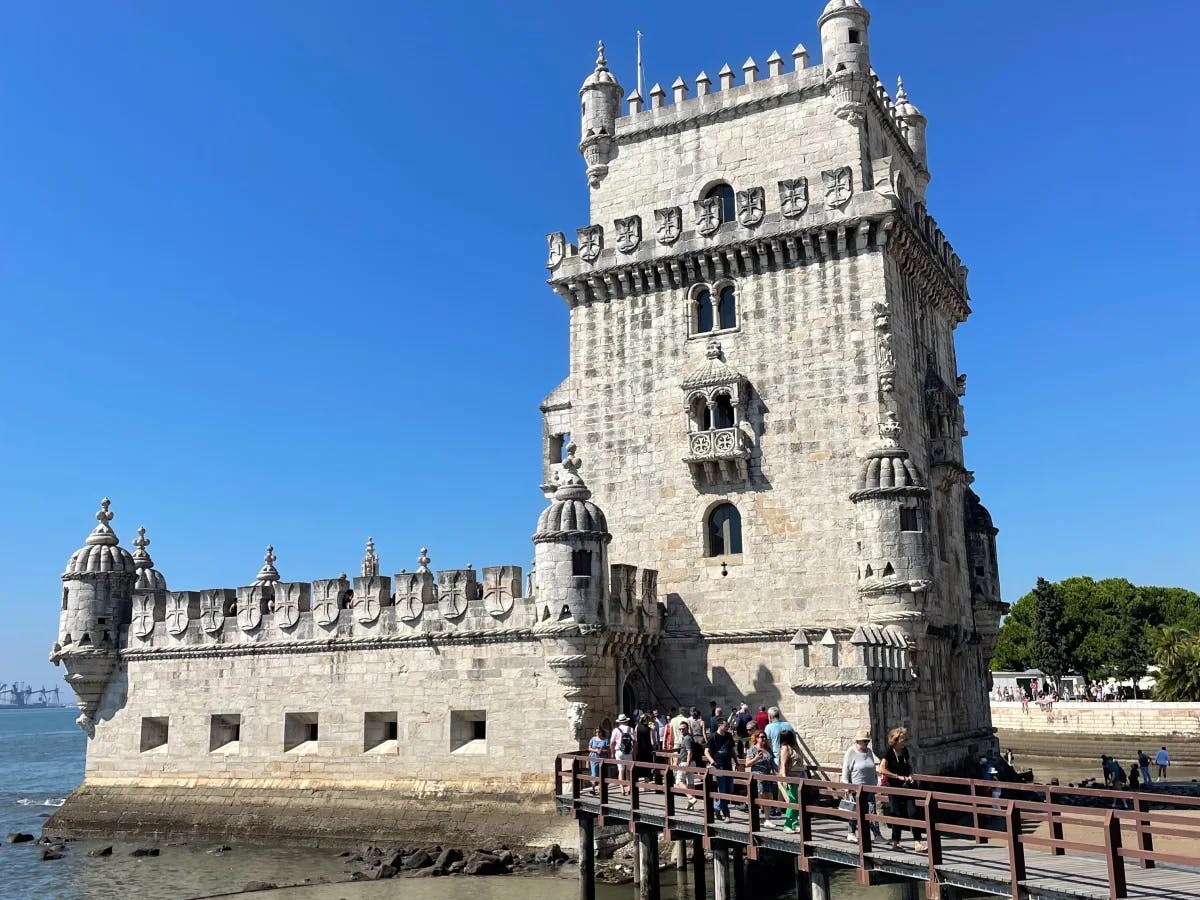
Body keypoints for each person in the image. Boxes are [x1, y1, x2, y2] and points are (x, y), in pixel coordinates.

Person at [878, 726, 925, 852]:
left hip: (907, 786)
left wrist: (909, 776)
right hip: (894, 787)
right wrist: (897, 777)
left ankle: (917, 842)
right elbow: (881, 769)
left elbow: (908, 766)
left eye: (905, 739)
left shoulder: (905, 751)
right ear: (896, 740)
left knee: (913, 812)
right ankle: (896, 842)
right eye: (902, 739)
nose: (905, 742)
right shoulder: (889, 752)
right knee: (896, 813)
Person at [841, 728, 883, 843]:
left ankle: (877, 834)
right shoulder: (851, 752)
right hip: (856, 788)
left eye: (868, 741)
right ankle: (851, 832)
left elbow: (872, 767)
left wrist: (876, 782)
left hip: (869, 787)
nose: (866, 743)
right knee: (855, 811)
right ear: (858, 741)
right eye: (864, 741)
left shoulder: (869, 752)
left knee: (872, 810)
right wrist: (846, 785)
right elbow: (846, 769)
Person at [704, 719, 737, 821]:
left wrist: (737, 761)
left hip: (728, 766)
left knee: (729, 791)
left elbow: (732, 750)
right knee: (722, 790)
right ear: (720, 725)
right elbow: (706, 751)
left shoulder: (728, 736)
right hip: (719, 766)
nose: (728, 727)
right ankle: (727, 814)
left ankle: (717, 807)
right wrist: (712, 761)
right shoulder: (713, 737)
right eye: (726, 725)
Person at [744, 731, 778, 827]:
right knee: (760, 796)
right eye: (762, 737)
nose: (764, 739)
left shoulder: (768, 749)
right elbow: (747, 764)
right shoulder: (752, 749)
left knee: (769, 796)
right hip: (757, 777)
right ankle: (754, 816)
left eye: (765, 737)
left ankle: (767, 819)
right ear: (757, 738)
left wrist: (779, 772)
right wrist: (756, 759)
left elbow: (772, 763)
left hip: (767, 777)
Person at [778, 728, 803, 834]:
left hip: (798, 778)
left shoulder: (794, 747)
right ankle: (787, 825)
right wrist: (785, 780)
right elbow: (783, 765)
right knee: (793, 801)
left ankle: (794, 823)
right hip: (790, 778)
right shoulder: (785, 748)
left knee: (798, 802)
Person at [677, 721, 704, 810]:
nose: (681, 730)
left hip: (686, 762)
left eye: (683, 729)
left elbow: (689, 752)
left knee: (679, 782)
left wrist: (687, 765)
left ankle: (690, 797)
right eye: (680, 729)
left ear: (687, 729)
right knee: (691, 782)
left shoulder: (687, 738)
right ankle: (691, 804)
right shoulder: (690, 737)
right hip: (692, 762)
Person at [610, 714, 636, 795]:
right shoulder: (630, 729)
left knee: (621, 771)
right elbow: (635, 742)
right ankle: (629, 788)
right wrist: (634, 752)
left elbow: (612, 743)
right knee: (629, 771)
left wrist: (612, 752)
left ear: (619, 722)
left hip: (619, 752)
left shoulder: (616, 730)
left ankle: (622, 789)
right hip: (628, 752)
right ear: (626, 721)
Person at [587, 727, 609, 792]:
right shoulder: (593, 739)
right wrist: (595, 750)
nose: (597, 733)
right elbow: (589, 748)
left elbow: (608, 749)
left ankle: (600, 789)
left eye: (599, 732)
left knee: (601, 773)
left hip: (602, 758)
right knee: (594, 772)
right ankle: (593, 789)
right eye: (596, 732)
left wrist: (602, 751)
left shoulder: (605, 740)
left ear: (602, 732)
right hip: (593, 757)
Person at [635, 714, 655, 782]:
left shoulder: (637, 726)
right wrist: (654, 747)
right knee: (648, 763)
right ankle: (647, 778)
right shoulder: (650, 725)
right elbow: (652, 739)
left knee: (640, 762)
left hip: (640, 748)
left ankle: (640, 777)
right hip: (648, 747)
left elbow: (636, 738)